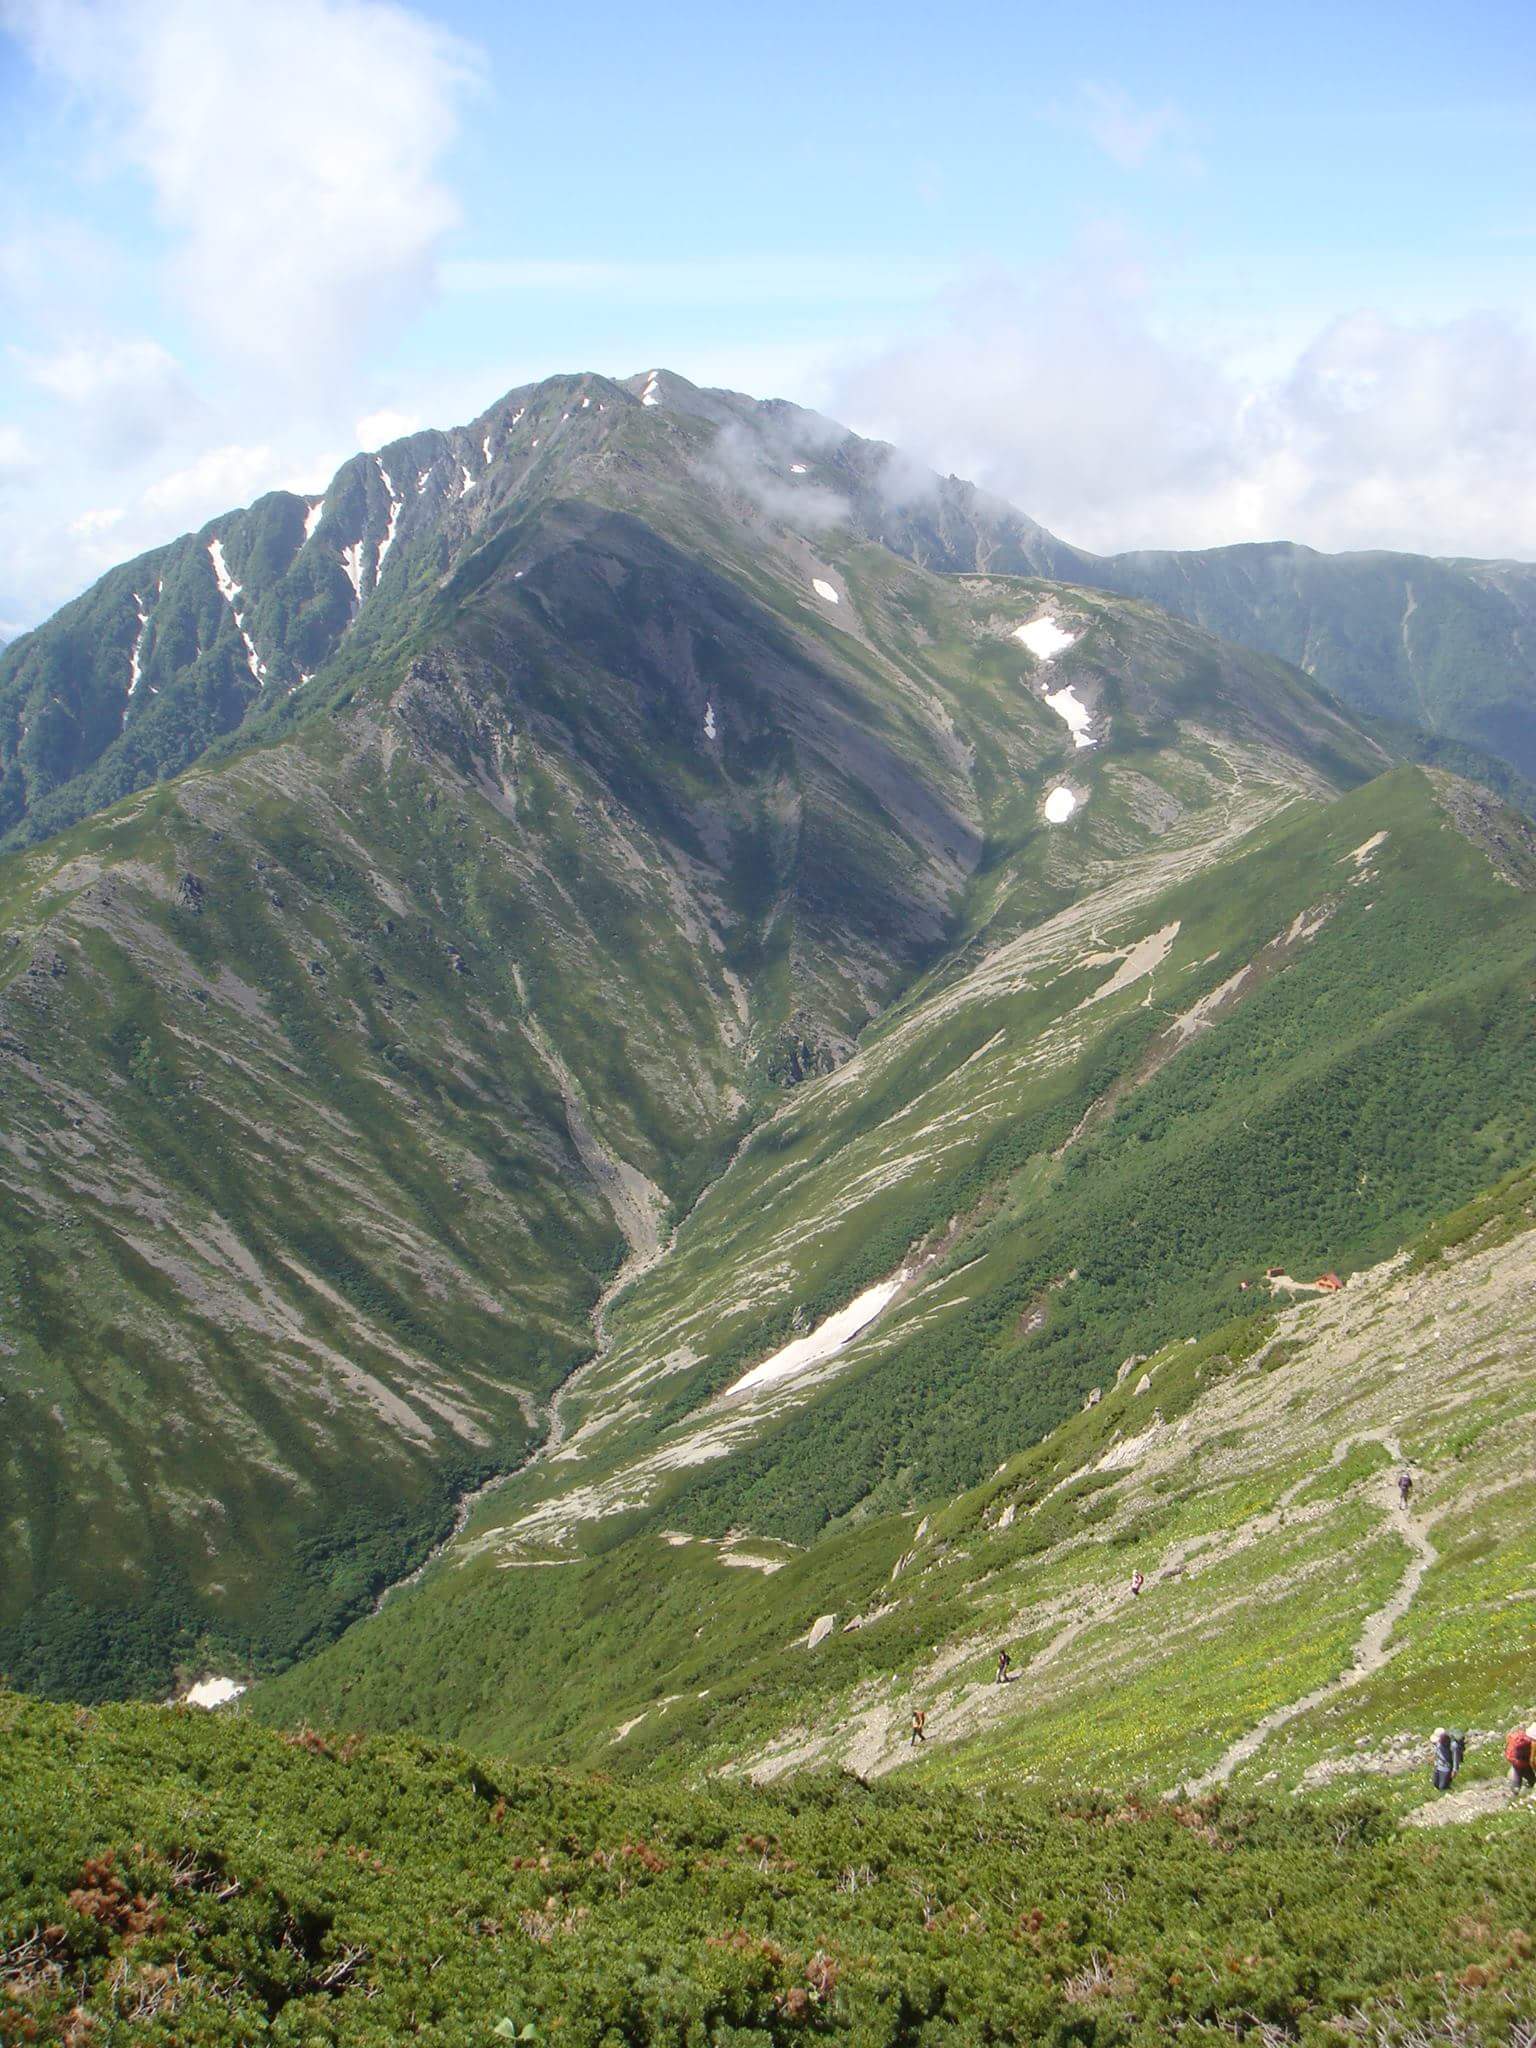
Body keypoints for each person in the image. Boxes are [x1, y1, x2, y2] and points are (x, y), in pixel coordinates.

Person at [1505, 1723, 1536, 1794]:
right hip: (1522, 1763)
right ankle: (1518, 1795)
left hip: (1515, 1760)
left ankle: (1515, 1793)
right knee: (1531, 1780)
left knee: (1518, 1774)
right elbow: (1532, 1760)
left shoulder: (1523, 1736)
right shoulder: (1533, 1742)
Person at [1432, 1727, 1455, 1792]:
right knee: (1436, 1784)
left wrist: (1454, 1769)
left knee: (1442, 1787)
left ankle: (1450, 1792)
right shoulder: (1437, 1744)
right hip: (1438, 1766)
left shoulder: (1450, 1745)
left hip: (1446, 1768)